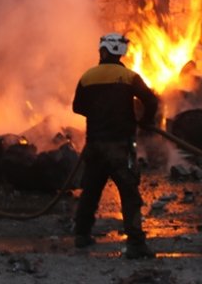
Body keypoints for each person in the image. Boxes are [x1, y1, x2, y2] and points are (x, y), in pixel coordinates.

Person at [72, 33, 159, 259]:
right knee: (129, 193)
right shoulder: (129, 76)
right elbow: (151, 100)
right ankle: (136, 244)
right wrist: (146, 121)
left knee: (90, 191)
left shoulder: (87, 77)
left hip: (95, 145)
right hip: (120, 146)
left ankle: (81, 235)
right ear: (120, 52)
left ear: (102, 51)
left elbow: (77, 107)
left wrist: (98, 113)